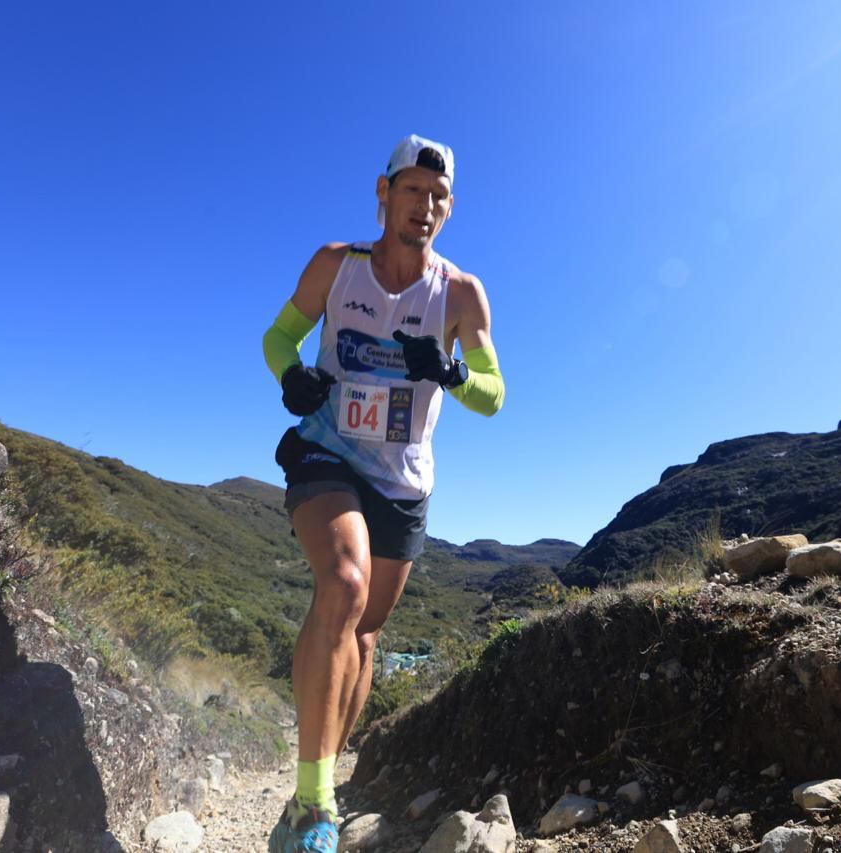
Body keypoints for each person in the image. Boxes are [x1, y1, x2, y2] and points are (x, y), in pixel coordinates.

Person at [261, 134, 505, 853]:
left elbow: (494, 395)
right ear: (384, 192)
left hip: (402, 481)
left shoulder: (460, 293)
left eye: (437, 197)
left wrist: (457, 374)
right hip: (327, 450)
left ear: (448, 208)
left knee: (365, 632)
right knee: (342, 582)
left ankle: (321, 775)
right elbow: (280, 335)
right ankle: (314, 806)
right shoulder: (338, 266)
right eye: (411, 191)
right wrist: (291, 375)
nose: (423, 206)